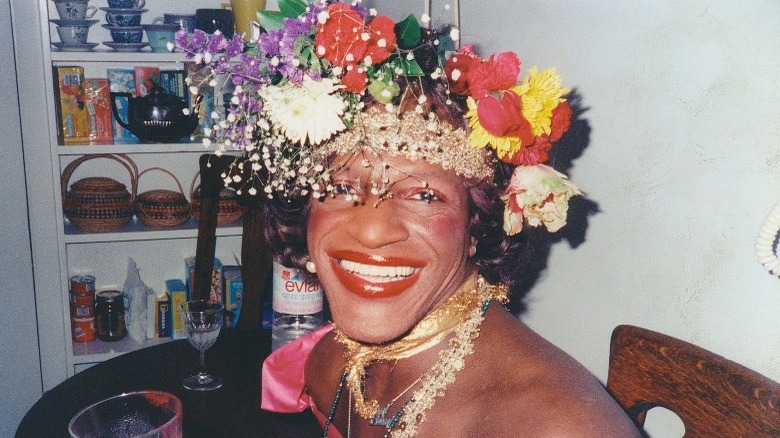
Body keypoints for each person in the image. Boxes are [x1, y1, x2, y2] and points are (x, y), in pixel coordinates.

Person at [178, 1, 641, 436]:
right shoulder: (330, 366)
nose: (372, 231)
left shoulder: (553, 427)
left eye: (422, 194)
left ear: (478, 224)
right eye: (339, 188)